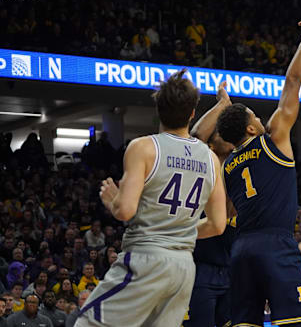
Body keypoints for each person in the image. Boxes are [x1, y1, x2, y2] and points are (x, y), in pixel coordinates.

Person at [75, 69, 227, 326]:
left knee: (88, 322)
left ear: (158, 109)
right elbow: (217, 225)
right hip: (184, 267)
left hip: (146, 258)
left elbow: (124, 211)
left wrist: (113, 200)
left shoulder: (143, 147)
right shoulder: (211, 159)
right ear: (192, 113)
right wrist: (180, 231)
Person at [217, 0, 301, 327]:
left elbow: (229, 213)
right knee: (299, 323)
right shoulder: (273, 138)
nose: (262, 118)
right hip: (275, 244)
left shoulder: (228, 165)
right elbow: (293, 82)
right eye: (254, 116)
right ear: (251, 127)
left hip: (241, 248)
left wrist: (224, 107)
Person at [184, 81, 238, 327]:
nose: (225, 135)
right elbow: (196, 136)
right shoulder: (206, 160)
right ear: (212, 144)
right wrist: (222, 105)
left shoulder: (241, 159)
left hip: (233, 264)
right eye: (219, 133)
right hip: (203, 264)